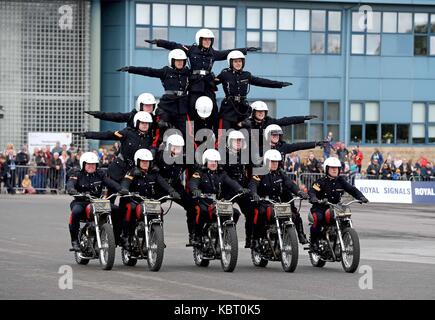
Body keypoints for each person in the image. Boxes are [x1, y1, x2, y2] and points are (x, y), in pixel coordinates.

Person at [145, 29, 261, 122]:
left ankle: (215, 131)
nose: (207, 42)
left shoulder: (213, 53)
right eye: (205, 40)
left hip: (208, 84)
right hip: (195, 85)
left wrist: (245, 50)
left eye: (209, 40)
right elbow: (175, 45)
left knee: (214, 109)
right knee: (191, 107)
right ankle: (192, 131)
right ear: (199, 40)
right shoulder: (191, 49)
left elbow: (228, 52)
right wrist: (159, 42)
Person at [117, 50, 190, 137]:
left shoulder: (187, 72)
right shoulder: (166, 71)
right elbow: (149, 71)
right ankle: (158, 148)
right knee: (161, 125)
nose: (180, 63)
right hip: (168, 105)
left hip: (182, 106)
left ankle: (189, 150)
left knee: (188, 132)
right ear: (172, 61)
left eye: (182, 60)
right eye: (177, 60)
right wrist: (131, 69)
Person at [119, 149, 181, 248]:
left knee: (159, 210)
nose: (145, 163)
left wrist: (172, 191)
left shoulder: (154, 173)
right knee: (131, 208)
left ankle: (159, 238)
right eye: (143, 161)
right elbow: (126, 182)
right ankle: (126, 235)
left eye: (147, 161)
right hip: (135, 200)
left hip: (149, 201)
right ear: (137, 161)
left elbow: (163, 183)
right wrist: (124, 189)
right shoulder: (132, 172)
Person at [214, 50, 291, 130]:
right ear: (230, 63)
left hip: (242, 109)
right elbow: (212, 83)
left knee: (244, 135)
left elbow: (261, 81)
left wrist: (279, 84)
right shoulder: (224, 74)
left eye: (240, 61)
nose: (238, 63)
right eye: (235, 61)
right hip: (228, 110)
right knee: (223, 137)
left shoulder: (246, 75)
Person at [74, 111, 154, 184]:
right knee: (110, 193)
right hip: (119, 167)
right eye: (142, 123)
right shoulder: (127, 133)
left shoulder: (150, 138)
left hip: (135, 170)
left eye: (147, 123)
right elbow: (108, 135)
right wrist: (88, 134)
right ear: (137, 123)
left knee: (130, 195)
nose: (145, 125)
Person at [249, 149, 309, 247]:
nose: (275, 164)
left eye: (276, 162)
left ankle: (301, 234)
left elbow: (290, 184)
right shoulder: (260, 172)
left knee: (295, 214)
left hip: (278, 202)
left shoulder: (280, 173)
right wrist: (254, 194)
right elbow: (253, 184)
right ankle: (255, 239)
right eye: (272, 161)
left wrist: (299, 192)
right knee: (261, 213)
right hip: (264, 201)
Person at [188, 149, 248, 245]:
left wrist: (240, 189)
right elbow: (192, 182)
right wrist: (195, 190)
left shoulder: (222, 174)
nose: (214, 163)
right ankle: (197, 236)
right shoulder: (199, 173)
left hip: (217, 202)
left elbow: (231, 182)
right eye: (211, 161)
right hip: (204, 200)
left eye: (215, 161)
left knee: (235, 213)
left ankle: (226, 232)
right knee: (202, 211)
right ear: (206, 161)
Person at [308, 157, 368, 251]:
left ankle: (344, 238)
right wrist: (313, 198)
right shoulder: (320, 182)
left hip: (336, 207)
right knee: (318, 219)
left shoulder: (341, 181)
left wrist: (361, 197)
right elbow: (312, 191)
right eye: (332, 168)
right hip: (320, 206)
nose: (334, 170)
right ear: (326, 169)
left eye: (336, 168)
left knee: (345, 219)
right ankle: (314, 242)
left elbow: (352, 189)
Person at [66, 152, 122, 251]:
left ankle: (116, 237)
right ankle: (74, 240)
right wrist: (71, 189)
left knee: (117, 210)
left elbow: (110, 183)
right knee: (76, 212)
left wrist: (120, 188)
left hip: (97, 202)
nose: (91, 166)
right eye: (89, 164)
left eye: (93, 164)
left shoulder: (100, 174)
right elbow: (71, 183)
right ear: (83, 164)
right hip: (81, 201)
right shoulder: (77, 174)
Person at [154, 134, 196, 245]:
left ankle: (193, 235)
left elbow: (196, 168)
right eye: (174, 147)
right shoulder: (159, 156)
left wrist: (203, 167)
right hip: (159, 186)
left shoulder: (185, 158)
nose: (177, 149)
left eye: (180, 147)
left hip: (176, 186)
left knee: (192, 206)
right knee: (154, 210)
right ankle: (157, 238)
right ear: (168, 146)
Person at [85, 93, 162, 149]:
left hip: (147, 148)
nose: (149, 107)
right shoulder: (132, 116)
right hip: (130, 145)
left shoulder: (155, 119)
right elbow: (115, 117)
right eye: (146, 105)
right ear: (140, 105)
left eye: (151, 105)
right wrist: (98, 114)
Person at [240, 100, 316, 154]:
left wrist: (303, 118)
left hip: (267, 151)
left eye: (263, 111)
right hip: (251, 152)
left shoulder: (269, 121)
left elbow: (285, 121)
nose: (261, 113)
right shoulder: (247, 123)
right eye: (259, 111)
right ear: (253, 112)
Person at [222, 130, 255, 248]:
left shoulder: (245, 155)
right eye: (236, 140)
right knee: (224, 213)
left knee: (251, 211)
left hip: (242, 189)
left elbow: (254, 168)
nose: (238, 143)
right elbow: (222, 175)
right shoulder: (223, 155)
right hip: (227, 190)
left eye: (240, 141)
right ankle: (226, 234)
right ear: (230, 142)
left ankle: (249, 239)